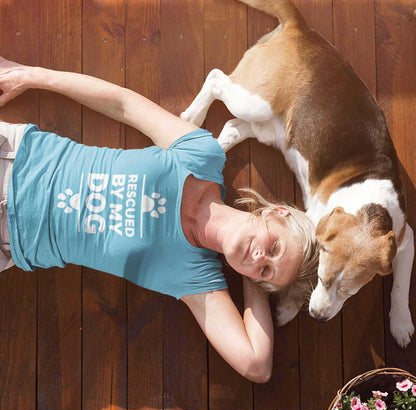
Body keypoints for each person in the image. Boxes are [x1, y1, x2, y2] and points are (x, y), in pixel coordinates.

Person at [0, 57, 318, 383]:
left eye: (266, 271)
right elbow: (124, 104)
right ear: (275, 214)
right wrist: (31, 76)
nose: (261, 258)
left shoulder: (196, 279)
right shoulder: (202, 155)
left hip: (10, 239)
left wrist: (255, 284)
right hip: (15, 157)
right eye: (275, 247)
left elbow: (256, 365)